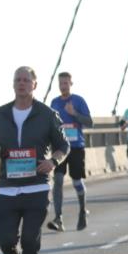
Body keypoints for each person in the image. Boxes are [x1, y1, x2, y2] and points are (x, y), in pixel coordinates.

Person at [0, 67, 70, 254]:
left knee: (30, 240)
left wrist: (53, 161)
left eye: (26, 80)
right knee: (5, 239)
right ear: (13, 85)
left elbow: (63, 145)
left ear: (34, 84)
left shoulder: (47, 114)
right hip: (7, 189)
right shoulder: (0, 115)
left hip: (36, 188)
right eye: (17, 80)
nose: (21, 83)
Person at [49, 72, 93, 231]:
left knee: (76, 181)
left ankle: (82, 210)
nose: (63, 86)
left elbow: (90, 123)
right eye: (61, 83)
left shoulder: (78, 101)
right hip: (60, 148)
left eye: (66, 83)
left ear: (71, 84)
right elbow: (50, 125)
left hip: (76, 147)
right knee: (58, 181)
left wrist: (74, 113)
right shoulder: (54, 102)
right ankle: (58, 218)